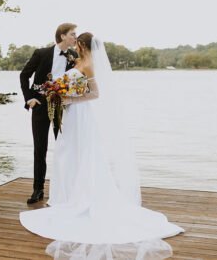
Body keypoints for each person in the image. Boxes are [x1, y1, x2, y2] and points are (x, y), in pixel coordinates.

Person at [20, 32, 184, 259]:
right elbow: (67, 81)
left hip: (81, 114)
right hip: (71, 114)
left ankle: (79, 196)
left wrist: (68, 99)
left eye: (77, 41)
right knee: (66, 153)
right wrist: (58, 91)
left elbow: (94, 93)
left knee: (82, 152)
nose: (74, 43)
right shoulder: (76, 60)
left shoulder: (88, 64)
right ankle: (67, 195)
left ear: (83, 45)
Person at [20, 23, 78, 204]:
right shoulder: (41, 53)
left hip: (62, 108)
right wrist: (30, 99)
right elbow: (24, 75)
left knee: (63, 148)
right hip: (40, 107)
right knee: (40, 149)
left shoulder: (74, 56)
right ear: (62, 36)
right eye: (72, 34)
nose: (75, 37)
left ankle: (64, 188)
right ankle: (38, 190)